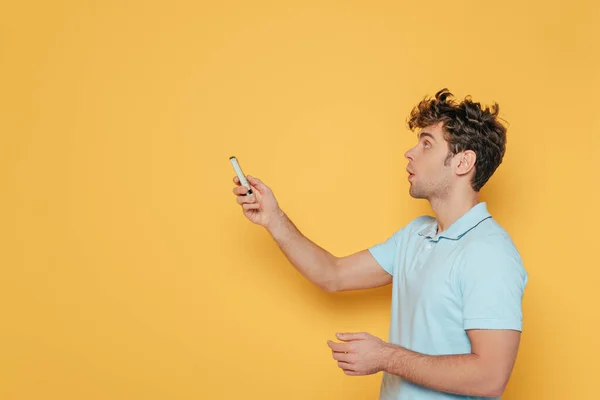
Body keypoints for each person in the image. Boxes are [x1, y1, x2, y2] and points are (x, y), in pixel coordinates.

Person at [231, 88, 528, 400]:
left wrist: (386, 357)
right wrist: (273, 218)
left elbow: (490, 377)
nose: (410, 153)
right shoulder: (416, 234)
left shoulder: (489, 253)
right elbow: (333, 274)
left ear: (463, 162)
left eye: (427, 144)